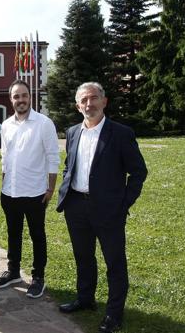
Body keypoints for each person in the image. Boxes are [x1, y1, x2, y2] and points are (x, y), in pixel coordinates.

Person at [57, 82, 147, 333]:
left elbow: (138, 172)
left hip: (109, 210)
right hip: (76, 206)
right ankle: (85, 299)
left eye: (94, 98)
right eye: (84, 100)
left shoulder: (120, 133)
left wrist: (123, 203)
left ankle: (114, 314)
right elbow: (69, 165)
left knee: (114, 262)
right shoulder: (73, 132)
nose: (89, 104)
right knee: (83, 257)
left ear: (104, 101)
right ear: (78, 106)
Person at [0, 79, 60, 298]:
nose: (20, 100)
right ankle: (13, 272)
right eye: (16, 96)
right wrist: (3, 184)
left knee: (37, 235)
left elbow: (53, 158)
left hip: (35, 193)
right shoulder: (6, 125)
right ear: (11, 99)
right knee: (13, 234)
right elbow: (5, 158)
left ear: (30, 97)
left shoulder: (44, 123)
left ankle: (38, 277)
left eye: (24, 95)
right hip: (10, 192)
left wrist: (50, 189)